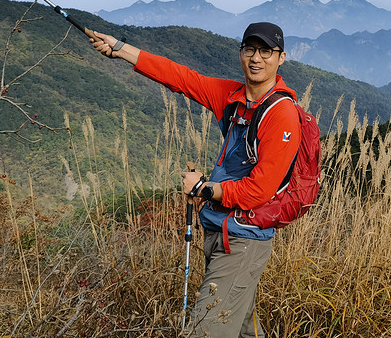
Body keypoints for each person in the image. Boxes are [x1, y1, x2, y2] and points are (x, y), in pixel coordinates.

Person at [89, 22, 301, 337]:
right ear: (241, 53)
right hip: (220, 231)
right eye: (250, 50)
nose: (256, 59)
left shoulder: (281, 115)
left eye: (266, 52)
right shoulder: (232, 97)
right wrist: (121, 49)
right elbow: (182, 78)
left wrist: (204, 188)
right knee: (243, 328)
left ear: (280, 58)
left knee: (206, 330)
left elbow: (259, 190)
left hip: (243, 240)